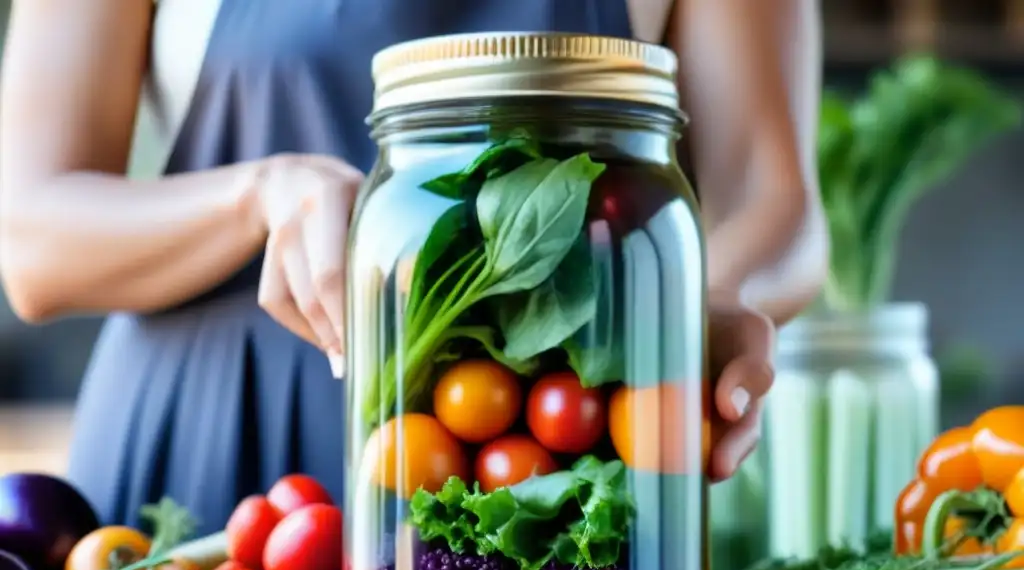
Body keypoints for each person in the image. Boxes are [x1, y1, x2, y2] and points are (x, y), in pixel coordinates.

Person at [0, 0, 826, 532]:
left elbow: (776, 201)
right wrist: (259, 195)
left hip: (549, 466)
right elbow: (31, 240)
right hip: (209, 470)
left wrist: (706, 301)